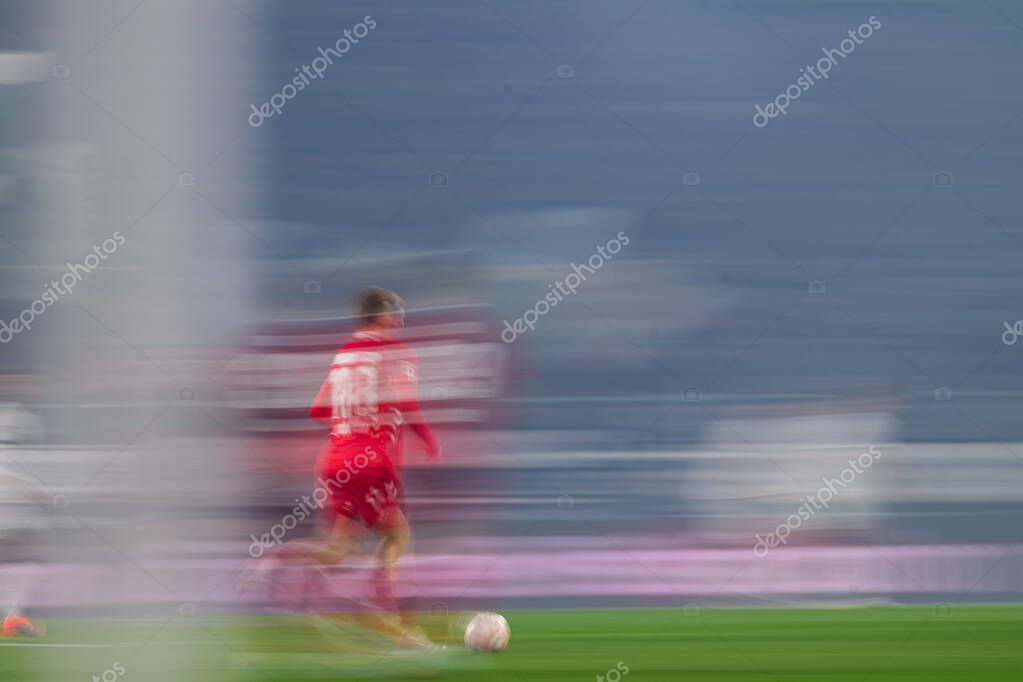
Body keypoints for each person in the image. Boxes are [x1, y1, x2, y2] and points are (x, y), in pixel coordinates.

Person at [305, 287, 440, 646]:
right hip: (369, 461)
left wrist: (350, 424)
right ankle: (396, 625)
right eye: (395, 313)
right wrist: (426, 437)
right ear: (381, 315)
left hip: (334, 459)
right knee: (396, 536)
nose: (398, 320)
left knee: (339, 549)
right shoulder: (396, 353)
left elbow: (317, 410)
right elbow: (405, 400)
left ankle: (274, 559)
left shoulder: (343, 356)